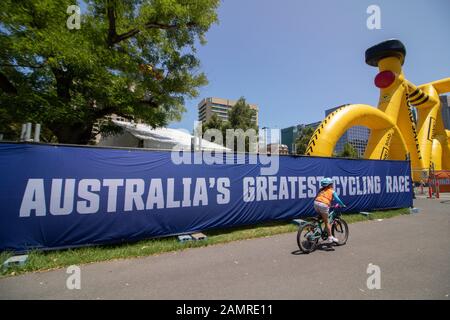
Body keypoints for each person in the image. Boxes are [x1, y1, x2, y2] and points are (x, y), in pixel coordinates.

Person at [314, 177, 346, 243]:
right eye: (331, 184)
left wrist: (327, 204)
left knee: (321, 218)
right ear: (329, 185)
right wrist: (342, 204)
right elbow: (338, 200)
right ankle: (330, 237)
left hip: (316, 203)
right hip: (323, 205)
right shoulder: (332, 190)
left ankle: (314, 228)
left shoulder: (321, 190)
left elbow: (319, 197)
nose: (332, 185)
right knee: (327, 222)